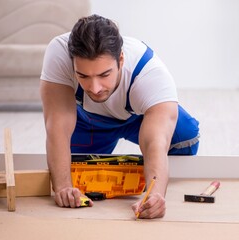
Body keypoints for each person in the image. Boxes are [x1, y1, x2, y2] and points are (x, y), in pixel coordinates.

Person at [40, 14, 199, 219]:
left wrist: (155, 194)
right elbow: (57, 126)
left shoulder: (150, 73)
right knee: (74, 173)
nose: (95, 88)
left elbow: (155, 143)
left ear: (121, 60)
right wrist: (62, 187)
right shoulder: (59, 53)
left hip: (137, 119)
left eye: (104, 75)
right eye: (83, 76)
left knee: (187, 136)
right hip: (89, 122)